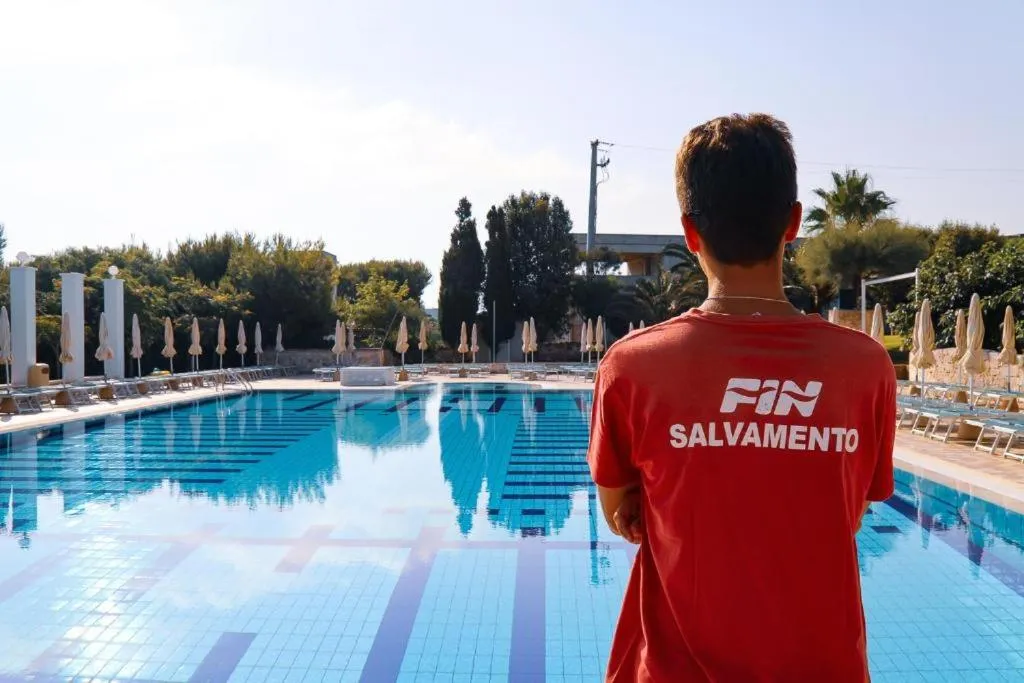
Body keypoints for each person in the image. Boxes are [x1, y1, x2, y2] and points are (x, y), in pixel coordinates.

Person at [587, 113, 896, 682]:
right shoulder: (865, 367)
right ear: (793, 222)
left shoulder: (633, 367)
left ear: (689, 232)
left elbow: (619, 513)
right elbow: (850, 511)